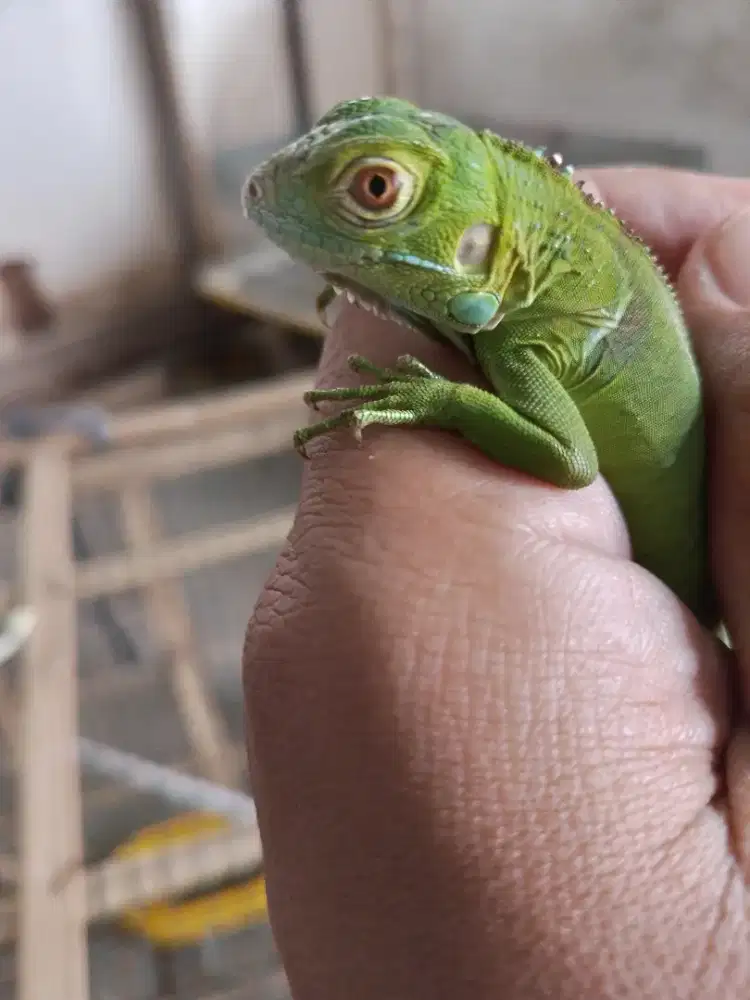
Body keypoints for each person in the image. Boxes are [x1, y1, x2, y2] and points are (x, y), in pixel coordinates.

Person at [244, 167, 750, 999]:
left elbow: (567, 456)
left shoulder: (531, 337)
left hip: (684, 612)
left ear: (477, 243)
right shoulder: (520, 297)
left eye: (377, 191)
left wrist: (440, 401)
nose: (265, 189)